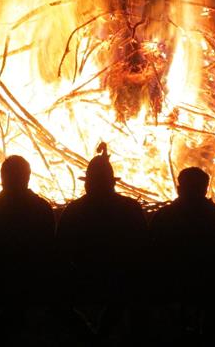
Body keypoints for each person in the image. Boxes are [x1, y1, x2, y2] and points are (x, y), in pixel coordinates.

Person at [56, 143, 148, 340]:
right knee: (131, 293)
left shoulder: (74, 211)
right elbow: (143, 248)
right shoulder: (130, 208)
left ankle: (92, 337)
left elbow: (60, 252)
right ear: (112, 183)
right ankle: (103, 335)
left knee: (56, 301)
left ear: (86, 183)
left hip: (84, 280)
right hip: (123, 280)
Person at [0, 155, 56, 343]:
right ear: (27, 178)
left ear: (3, 178)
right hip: (33, 281)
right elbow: (50, 251)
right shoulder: (42, 209)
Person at [150, 167, 215, 341]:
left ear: (179, 188)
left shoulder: (165, 215)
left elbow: (153, 249)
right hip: (208, 284)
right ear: (204, 189)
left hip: (172, 283)